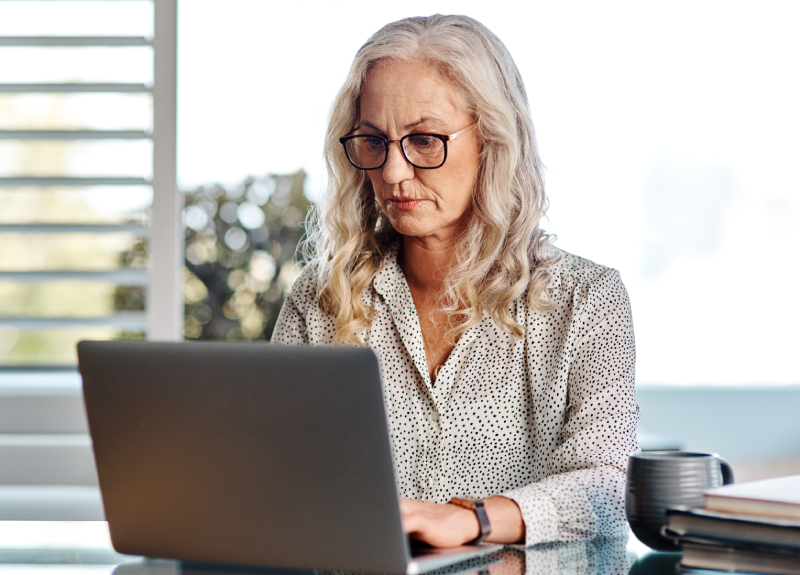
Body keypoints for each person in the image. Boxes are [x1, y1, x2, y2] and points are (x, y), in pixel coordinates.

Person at [272, 14, 639, 547]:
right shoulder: (322, 297)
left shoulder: (586, 299)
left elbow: (610, 489)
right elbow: (274, 471)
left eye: (423, 140)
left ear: (492, 138)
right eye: (374, 141)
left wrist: (471, 519)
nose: (394, 174)